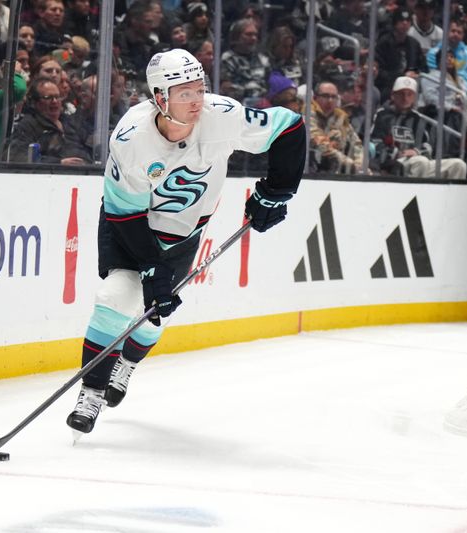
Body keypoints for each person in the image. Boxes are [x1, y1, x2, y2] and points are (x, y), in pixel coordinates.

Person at [65, 48, 306, 435]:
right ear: (160, 98)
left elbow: (290, 127)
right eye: (185, 93)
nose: (197, 100)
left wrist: (277, 191)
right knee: (117, 296)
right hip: (128, 221)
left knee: (156, 308)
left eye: (199, 88)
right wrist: (149, 266)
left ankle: (127, 363)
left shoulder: (222, 115)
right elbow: (125, 213)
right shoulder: (131, 139)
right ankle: (90, 392)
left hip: (184, 232)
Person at [371, 76, 466, 179]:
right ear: (393, 95)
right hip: (393, 164)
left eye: (409, 94)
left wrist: (417, 152)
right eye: (401, 94)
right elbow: (374, 142)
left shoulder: (419, 119)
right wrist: (396, 153)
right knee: (421, 162)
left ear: (415, 97)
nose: (405, 98)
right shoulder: (382, 115)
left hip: (418, 161)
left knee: (458, 165)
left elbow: (428, 145)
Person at [309, 80, 363, 174]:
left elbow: (356, 144)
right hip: (313, 170)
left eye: (333, 97)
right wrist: (350, 164)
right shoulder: (307, 115)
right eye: (325, 96)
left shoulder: (340, 117)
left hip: (338, 170)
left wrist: (360, 164)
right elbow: (320, 145)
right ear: (315, 98)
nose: (330, 100)